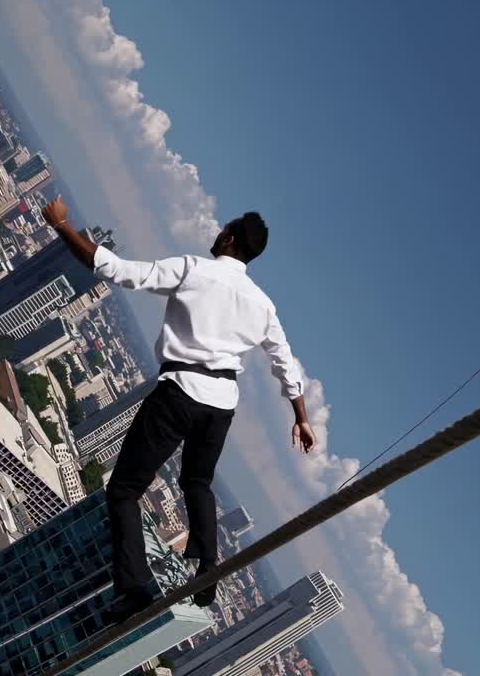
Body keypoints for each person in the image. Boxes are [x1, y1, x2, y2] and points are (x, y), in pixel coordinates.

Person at [41, 196, 315, 621]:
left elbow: (118, 270)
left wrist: (62, 226)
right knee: (197, 482)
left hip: (180, 392)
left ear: (229, 237)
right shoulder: (263, 306)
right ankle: (207, 564)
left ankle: (135, 588)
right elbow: (284, 362)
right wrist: (301, 416)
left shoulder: (194, 269)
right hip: (221, 405)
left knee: (125, 490)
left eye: (223, 228)